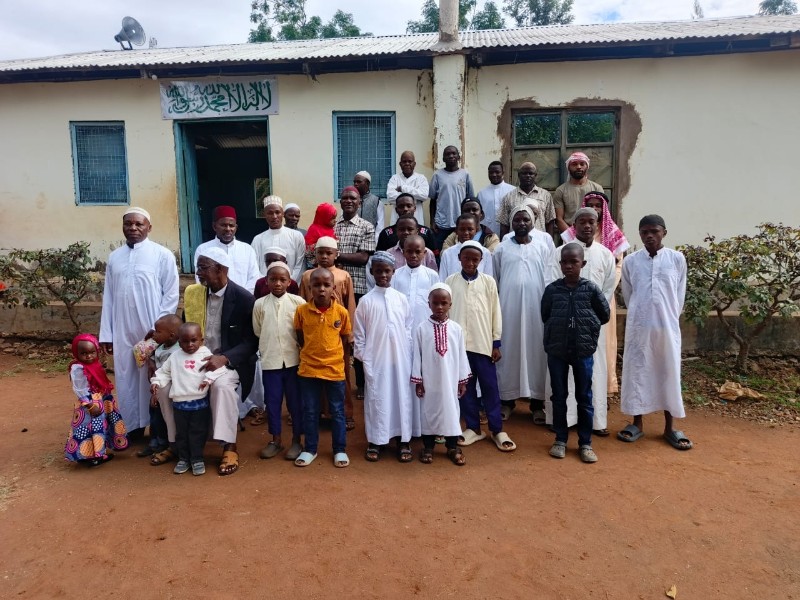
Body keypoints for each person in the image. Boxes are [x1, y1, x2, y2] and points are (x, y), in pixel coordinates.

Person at [99, 207, 179, 435]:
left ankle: (157, 430)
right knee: (126, 376)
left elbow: (171, 294)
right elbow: (109, 297)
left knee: (153, 375)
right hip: (122, 328)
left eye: (139, 224)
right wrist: (107, 334)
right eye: (128, 224)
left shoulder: (162, 255)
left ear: (149, 227)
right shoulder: (115, 257)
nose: (133, 228)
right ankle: (132, 426)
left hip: (151, 328)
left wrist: (159, 329)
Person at [617, 215, 692, 451]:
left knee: (668, 371)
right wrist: (644, 316)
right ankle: (637, 423)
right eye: (644, 232)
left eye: (654, 231)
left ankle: (670, 427)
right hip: (639, 328)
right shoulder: (631, 262)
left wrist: (666, 317)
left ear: (664, 233)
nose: (649, 236)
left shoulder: (676, 259)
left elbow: (679, 296)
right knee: (638, 371)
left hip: (667, 327)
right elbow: (629, 295)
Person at [183, 247, 259, 476]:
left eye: (203, 268)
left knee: (221, 387)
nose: (198, 273)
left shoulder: (244, 299)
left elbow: (251, 342)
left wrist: (224, 358)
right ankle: (176, 444)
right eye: (198, 268)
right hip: (196, 358)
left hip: (229, 363)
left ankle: (229, 446)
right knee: (167, 386)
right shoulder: (194, 295)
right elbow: (185, 329)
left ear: (221, 270)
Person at [545, 208, 616, 436]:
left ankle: (595, 422)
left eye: (591, 222)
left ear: (597, 225)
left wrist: (590, 318)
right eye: (582, 222)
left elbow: (607, 290)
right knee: (561, 379)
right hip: (562, 329)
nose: (587, 226)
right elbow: (549, 288)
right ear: (574, 225)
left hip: (591, 328)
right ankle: (562, 422)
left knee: (592, 374)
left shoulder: (606, 254)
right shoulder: (560, 252)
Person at [542, 243, 611, 463]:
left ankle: (585, 443)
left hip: (583, 351)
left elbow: (604, 315)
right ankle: (560, 439)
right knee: (559, 395)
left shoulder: (591, 289)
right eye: (565, 262)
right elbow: (545, 315)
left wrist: (587, 329)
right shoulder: (552, 290)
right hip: (557, 351)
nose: (569, 266)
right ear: (560, 264)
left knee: (584, 396)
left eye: (574, 262)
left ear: (583, 263)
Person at [445, 243, 516, 452]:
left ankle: (497, 429)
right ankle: (473, 427)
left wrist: (496, 342)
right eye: (466, 258)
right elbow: (446, 314)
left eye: (475, 259)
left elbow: (496, 312)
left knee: (490, 387)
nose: (470, 263)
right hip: (459, 347)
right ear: (459, 258)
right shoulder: (450, 282)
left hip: (483, 345)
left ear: (481, 260)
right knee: (465, 389)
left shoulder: (488, 282)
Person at [561, 191, 629, 394]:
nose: (595, 208)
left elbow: (617, 268)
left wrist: (600, 298)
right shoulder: (571, 236)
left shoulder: (613, 235)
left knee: (603, 344)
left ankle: (602, 390)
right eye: (590, 205)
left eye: (598, 205)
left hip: (603, 300)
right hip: (573, 299)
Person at [493, 205, 553, 423]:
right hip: (508, 309)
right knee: (508, 351)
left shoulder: (543, 247)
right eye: (517, 220)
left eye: (525, 220)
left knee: (537, 353)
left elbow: (550, 277)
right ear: (511, 222)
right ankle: (507, 401)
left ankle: (537, 404)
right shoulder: (501, 249)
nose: (521, 223)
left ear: (532, 223)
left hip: (537, 309)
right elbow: (495, 279)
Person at [354, 251, 414, 463]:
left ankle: (403, 440)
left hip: (400, 360)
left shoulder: (401, 299)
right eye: (378, 271)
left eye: (387, 271)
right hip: (376, 361)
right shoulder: (366, 301)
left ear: (393, 271)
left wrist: (406, 354)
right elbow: (359, 335)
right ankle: (376, 441)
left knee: (401, 398)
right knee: (377, 399)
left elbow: (408, 329)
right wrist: (366, 358)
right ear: (372, 272)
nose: (383, 275)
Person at [293, 268, 352, 468]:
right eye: (316, 285)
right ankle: (310, 449)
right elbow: (300, 336)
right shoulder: (302, 311)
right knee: (310, 411)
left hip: (334, 370)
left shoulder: (341, 312)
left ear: (333, 288)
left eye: (326, 285)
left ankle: (339, 449)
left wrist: (334, 358)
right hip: (309, 369)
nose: (321, 289)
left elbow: (345, 338)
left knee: (337, 411)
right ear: (309, 288)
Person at [150, 322, 224, 476]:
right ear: (179, 342)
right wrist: (156, 382)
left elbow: (218, 369)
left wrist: (208, 379)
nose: (190, 345)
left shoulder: (205, 354)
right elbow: (164, 372)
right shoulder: (175, 356)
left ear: (201, 340)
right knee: (182, 434)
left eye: (194, 340)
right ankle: (183, 458)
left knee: (197, 433)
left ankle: (197, 459)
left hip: (199, 404)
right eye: (185, 341)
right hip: (180, 405)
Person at [299, 236, 357, 427]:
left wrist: (350, 334)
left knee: (341, 373)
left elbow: (350, 305)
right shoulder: (308, 276)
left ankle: (344, 412)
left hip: (338, 333)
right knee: (313, 376)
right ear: (314, 254)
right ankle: (317, 412)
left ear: (336, 254)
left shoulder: (343, 276)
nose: (324, 256)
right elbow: (301, 304)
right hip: (314, 333)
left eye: (328, 253)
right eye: (320, 253)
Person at [411, 283, 470, 466]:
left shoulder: (456, 329)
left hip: (450, 381)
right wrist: (419, 380)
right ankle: (428, 447)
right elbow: (417, 356)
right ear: (428, 304)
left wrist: (462, 380)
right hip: (430, 381)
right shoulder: (422, 328)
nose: (439, 307)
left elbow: (461, 355)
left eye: (444, 303)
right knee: (429, 411)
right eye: (435, 303)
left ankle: (452, 447)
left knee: (451, 411)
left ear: (450, 304)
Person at [252, 262, 306, 461]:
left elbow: (303, 330)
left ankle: (297, 440)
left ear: (289, 282)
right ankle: (275, 440)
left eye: (282, 280)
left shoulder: (298, 302)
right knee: (272, 402)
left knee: (295, 402)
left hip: (294, 362)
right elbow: (258, 331)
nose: (277, 283)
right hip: (271, 362)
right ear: (266, 281)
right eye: (273, 279)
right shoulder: (259, 304)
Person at [392, 234, 440, 438]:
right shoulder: (396, 275)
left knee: (427, 378)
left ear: (425, 253)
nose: (413, 255)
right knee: (405, 379)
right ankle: (408, 425)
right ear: (403, 252)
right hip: (402, 337)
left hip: (425, 336)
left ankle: (428, 427)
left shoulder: (432, 276)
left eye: (417, 252)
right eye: (409, 251)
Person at [335, 185, 376, 397]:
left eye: (353, 198)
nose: (349, 201)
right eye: (345, 198)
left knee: (358, 337)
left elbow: (363, 258)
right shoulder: (333, 225)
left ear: (359, 202)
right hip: (333, 290)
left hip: (357, 289)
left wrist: (335, 255)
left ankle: (361, 384)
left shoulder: (366, 227)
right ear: (340, 202)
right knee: (334, 336)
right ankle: (336, 383)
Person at [64, 333, 128, 467]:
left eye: (92, 352)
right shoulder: (78, 369)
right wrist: (90, 406)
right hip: (90, 403)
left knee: (100, 426)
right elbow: (79, 389)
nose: (89, 356)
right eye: (83, 353)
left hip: (100, 398)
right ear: (76, 353)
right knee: (91, 428)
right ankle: (95, 456)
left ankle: (90, 454)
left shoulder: (94, 364)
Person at [193, 205, 260, 294]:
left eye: (231, 225)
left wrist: (242, 297)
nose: (228, 229)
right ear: (214, 226)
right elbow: (201, 279)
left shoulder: (247, 249)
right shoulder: (203, 249)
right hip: (214, 299)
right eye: (223, 225)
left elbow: (253, 278)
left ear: (236, 227)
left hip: (242, 299)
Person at [145, 314, 184, 467]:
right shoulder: (160, 347)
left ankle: (165, 443)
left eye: (158, 332)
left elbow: (173, 375)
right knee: (154, 415)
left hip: (169, 390)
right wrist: (149, 359)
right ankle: (155, 441)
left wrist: (157, 393)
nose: (154, 334)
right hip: (157, 386)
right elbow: (149, 356)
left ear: (171, 335)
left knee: (163, 417)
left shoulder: (177, 351)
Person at [366, 216, 437, 290]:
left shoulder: (427, 253)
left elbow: (433, 278)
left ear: (417, 231)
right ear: (396, 231)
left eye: (410, 229)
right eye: (402, 229)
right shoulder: (389, 254)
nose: (406, 232)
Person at [429, 145, 474, 249]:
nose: (451, 156)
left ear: (459, 157)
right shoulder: (437, 175)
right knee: (441, 252)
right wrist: (432, 221)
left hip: (461, 223)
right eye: (447, 154)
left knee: (461, 251)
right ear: (443, 158)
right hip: (442, 224)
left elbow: (470, 199)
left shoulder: (465, 174)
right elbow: (433, 200)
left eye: (454, 153)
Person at [251, 195, 306, 280]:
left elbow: (300, 265)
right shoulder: (258, 239)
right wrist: (266, 283)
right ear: (264, 215)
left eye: (277, 212)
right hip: (264, 285)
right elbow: (254, 266)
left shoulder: (296, 236)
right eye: (270, 213)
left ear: (282, 214)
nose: (274, 216)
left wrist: (288, 283)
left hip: (291, 284)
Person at [497, 162, 555, 236]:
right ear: (519, 175)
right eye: (524, 173)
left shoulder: (546, 195)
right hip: (516, 240)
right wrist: (504, 241)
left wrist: (549, 241)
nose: (528, 176)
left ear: (535, 175)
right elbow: (504, 224)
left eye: (531, 173)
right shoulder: (508, 197)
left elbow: (550, 222)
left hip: (539, 240)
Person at [553, 152, 604, 233]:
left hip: (593, 235)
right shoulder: (561, 190)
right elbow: (559, 219)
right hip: (569, 235)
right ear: (568, 167)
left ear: (587, 167)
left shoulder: (597, 188)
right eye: (574, 164)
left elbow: (602, 216)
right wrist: (573, 236)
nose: (578, 167)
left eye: (582, 164)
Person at [439, 217, 493, 282]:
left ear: (476, 230)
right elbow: (442, 279)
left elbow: (488, 279)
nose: (466, 233)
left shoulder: (485, 252)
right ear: (456, 231)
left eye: (470, 229)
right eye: (462, 229)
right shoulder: (447, 253)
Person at [386, 150, 429, 225]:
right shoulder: (394, 178)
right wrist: (415, 199)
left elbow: (424, 195)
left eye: (410, 161)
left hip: (417, 219)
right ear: (400, 164)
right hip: (397, 220)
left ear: (414, 164)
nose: (407, 164)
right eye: (404, 161)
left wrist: (403, 188)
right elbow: (390, 197)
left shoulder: (421, 178)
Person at [478, 161, 515, 236]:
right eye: (491, 172)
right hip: (487, 233)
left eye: (497, 172)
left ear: (503, 173)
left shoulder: (512, 191)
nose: (494, 175)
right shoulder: (482, 193)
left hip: (508, 233)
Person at [304, 202, 338, 268]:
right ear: (324, 218)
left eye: (335, 218)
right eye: (332, 218)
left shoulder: (332, 229)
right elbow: (309, 251)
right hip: (316, 266)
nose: (335, 221)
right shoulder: (314, 230)